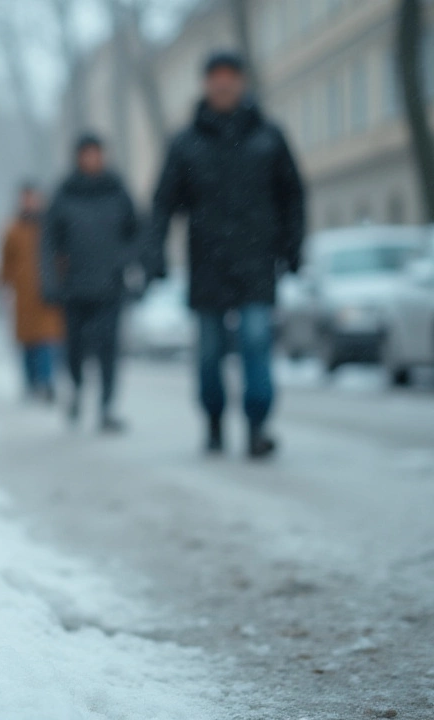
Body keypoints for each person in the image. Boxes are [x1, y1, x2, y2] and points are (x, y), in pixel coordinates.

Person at [147, 51, 305, 459]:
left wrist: (294, 246)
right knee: (210, 353)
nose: (223, 84)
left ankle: (257, 426)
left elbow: (292, 195)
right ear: (205, 84)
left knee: (255, 342)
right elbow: (164, 203)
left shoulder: (269, 136)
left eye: (230, 76)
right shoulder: (186, 144)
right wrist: (155, 256)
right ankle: (214, 421)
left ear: (242, 82)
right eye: (215, 76)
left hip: (257, 262)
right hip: (208, 264)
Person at [41, 134, 139, 433]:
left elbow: (136, 232)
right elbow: (48, 244)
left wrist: (127, 264)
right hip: (73, 287)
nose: (92, 159)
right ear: (78, 157)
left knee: (109, 348)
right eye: (87, 153)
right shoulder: (64, 193)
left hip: (110, 285)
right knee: (74, 348)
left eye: (96, 153)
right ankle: (76, 390)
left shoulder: (117, 190)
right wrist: (50, 282)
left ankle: (107, 406)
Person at [0, 183, 65, 402]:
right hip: (23, 294)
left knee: (47, 340)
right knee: (27, 342)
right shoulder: (12, 230)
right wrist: (7, 285)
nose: (30, 203)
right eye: (26, 198)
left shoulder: (50, 225)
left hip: (47, 291)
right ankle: (30, 384)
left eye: (33, 198)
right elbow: (6, 262)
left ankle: (46, 382)